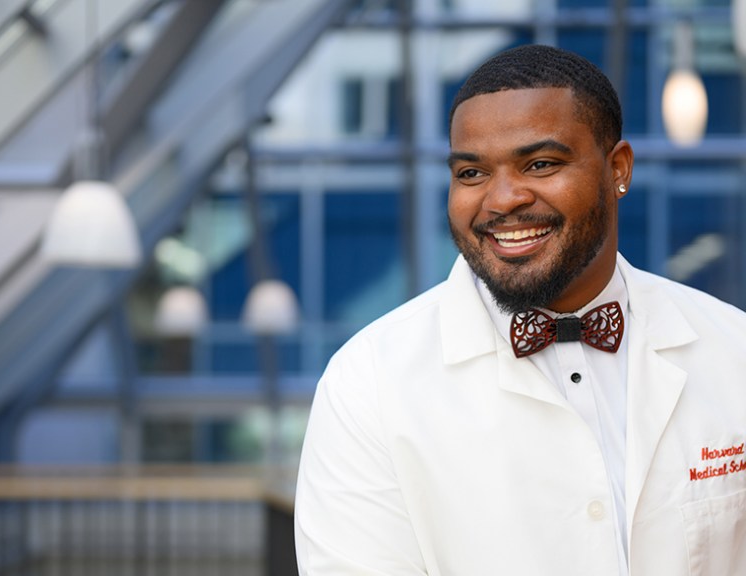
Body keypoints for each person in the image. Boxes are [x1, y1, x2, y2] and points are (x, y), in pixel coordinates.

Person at [294, 44, 746, 575]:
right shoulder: (368, 383)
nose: (502, 199)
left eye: (540, 163)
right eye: (470, 174)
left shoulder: (732, 349)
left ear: (617, 169)